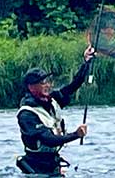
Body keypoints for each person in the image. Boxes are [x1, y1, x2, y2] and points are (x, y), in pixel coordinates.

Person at [15, 45, 96, 176]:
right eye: (42, 83)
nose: (47, 85)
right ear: (31, 87)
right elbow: (48, 140)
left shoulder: (52, 99)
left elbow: (73, 85)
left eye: (48, 81)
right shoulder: (26, 114)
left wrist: (86, 62)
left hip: (53, 163)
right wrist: (76, 135)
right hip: (36, 167)